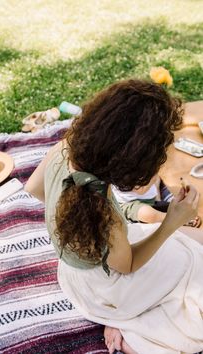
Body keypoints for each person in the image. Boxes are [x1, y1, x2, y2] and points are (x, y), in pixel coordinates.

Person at [25, 80, 203, 354]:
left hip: (75, 275)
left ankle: (121, 316)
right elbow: (127, 266)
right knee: (194, 277)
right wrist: (171, 223)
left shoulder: (64, 149)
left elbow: (34, 189)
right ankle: (126, 323)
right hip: (107, 290)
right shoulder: (103, 212)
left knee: (193, 245)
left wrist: (72, 219)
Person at [112, 174, 202, 227]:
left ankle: (159, 199)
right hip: (127, 202)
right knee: (147, 214)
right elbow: (150, 215)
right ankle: (172, 218)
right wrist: (178, 219)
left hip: (146, 193)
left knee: (157, 180)